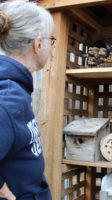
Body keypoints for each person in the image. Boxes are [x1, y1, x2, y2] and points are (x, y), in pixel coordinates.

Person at [0, 1, 55, 199]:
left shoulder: (15, 89)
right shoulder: (9, 98)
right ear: (38, 44)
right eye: (51, 40)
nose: (51, 46)